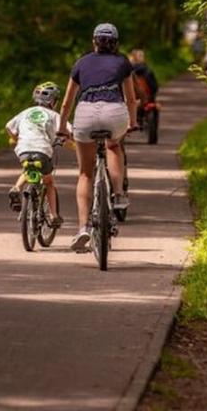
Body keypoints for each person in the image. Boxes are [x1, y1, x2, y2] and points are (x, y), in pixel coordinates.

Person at [58, 23, 138, 252]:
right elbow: (131, 99)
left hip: (85, 113)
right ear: (116, 43)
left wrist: (62, 128)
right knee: (113, 146)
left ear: (94, 41)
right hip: (114, 112)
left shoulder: (81, 63)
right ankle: (119, 194)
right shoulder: (123, 62)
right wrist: (132, 123)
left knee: (85, 173)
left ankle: (83, 227)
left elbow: (66, 103)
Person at [5, 81, 66, 228]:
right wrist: (73, 144)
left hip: (23, 150)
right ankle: (53, 216)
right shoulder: (54, 115)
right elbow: (67, 131)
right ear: (53, 102)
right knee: (49, 182)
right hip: (43, 150)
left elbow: (8, 126)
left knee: (28, 170)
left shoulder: (25, 112)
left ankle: (17, 189)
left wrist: (16, 139)